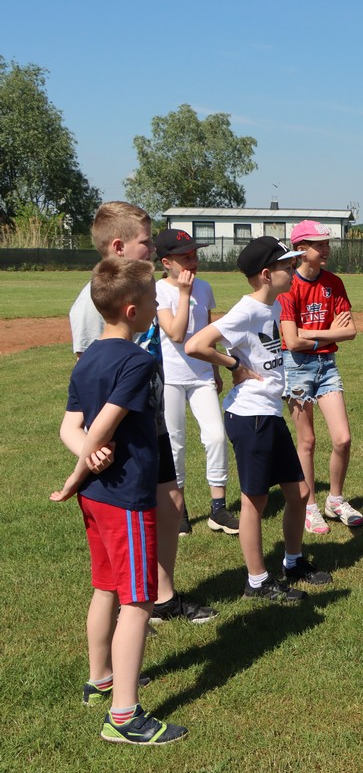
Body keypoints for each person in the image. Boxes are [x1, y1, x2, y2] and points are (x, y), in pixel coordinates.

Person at [51, 258, 187, 744]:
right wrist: (86, 457)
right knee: (138, 600)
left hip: (95, 497)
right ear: (133, 310)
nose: (158, 306)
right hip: (125, 496)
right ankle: (124, 716)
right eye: (154, 301)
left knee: (106, 586)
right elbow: (102, 424)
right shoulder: (137, 360)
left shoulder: (86, 357)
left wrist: (82, 460)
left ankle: (101, 679)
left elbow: (72, 427)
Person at [68, 201, 215, 625]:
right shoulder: (93, 303)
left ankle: (161, 597)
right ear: (118, 246)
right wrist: (92, 445)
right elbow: (87, 376)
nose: (153, 250)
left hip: (152, 420)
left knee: (170, 502)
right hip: (120, 434)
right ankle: (130, 610)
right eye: (146, 243)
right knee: (130, 525)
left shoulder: (147, 290)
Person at [186, 236, 332, 602]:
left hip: (268, 412)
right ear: (267, 274)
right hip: (250, 417)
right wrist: (234, 365)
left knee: (299, 493)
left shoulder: (273, 306)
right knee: (255, 502)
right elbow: (196, 345)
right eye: (287, 267)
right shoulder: (247, 309)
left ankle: (294, 562)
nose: (293, 271)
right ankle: (256, 582)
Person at [277, 220, 363, 534]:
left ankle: (335, 500)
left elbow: (350, 331)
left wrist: (312, 335)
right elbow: (292, 341)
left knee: (343, 438)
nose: (326, 249)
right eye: (319, 245)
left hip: (327, 366)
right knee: (307, 441)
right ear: (301, 250)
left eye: (326, 244)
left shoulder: (334, 282)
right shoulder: (288, 286)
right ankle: (309, 507)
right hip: (296, 367)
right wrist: (329, 334)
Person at [154, 228, 237, 536]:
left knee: (215, 436)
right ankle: (179, 509)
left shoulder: (204, 287)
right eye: (185, 257)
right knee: (175, 445)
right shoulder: (158, 290)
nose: (193, 261)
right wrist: (184, 294)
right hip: (171, 379)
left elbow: (207, 331)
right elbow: (175, 333)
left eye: (194, 255)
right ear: (166, 262)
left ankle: (219, 509)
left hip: (201, 375)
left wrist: (215, 370)